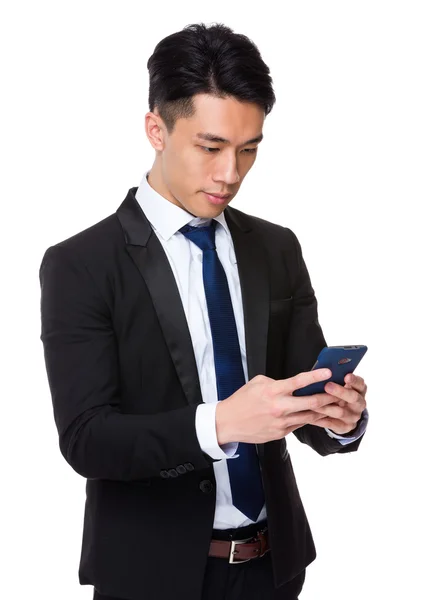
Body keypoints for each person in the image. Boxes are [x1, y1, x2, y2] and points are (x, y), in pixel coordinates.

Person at [39, 22, 369, 600]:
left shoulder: (276, 247)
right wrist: (219, 424)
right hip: (151, 575)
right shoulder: (81, 264)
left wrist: (339, 419)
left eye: (249, 150)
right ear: (156, 129)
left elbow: (299, 395)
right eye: (211, 147)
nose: (230, 174)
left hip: (275, 567)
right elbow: (87, 439)